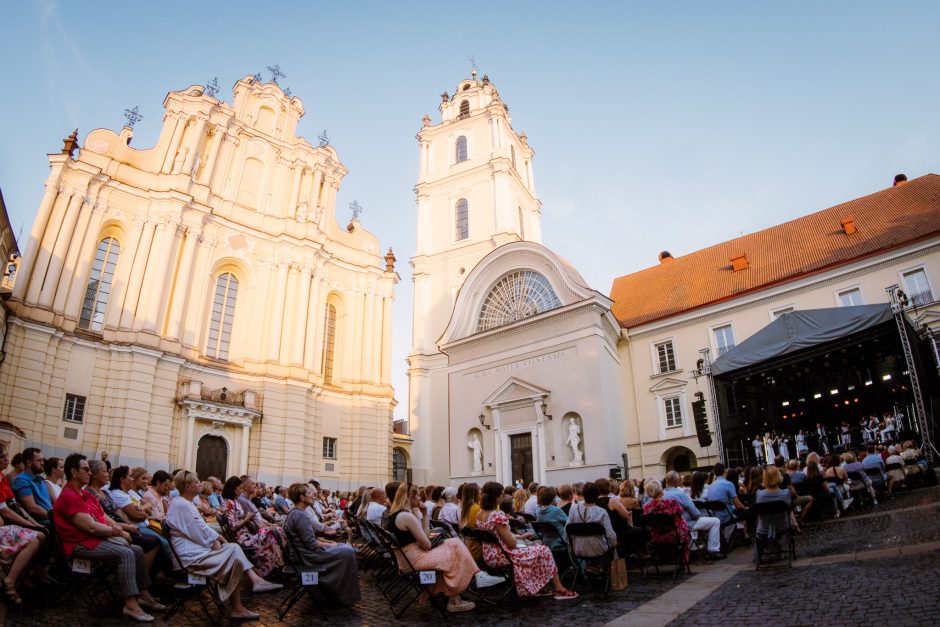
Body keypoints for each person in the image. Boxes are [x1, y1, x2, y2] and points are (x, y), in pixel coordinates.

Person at [54, 453, 164, 622]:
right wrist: (119, 532)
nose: (89, 473)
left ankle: (143, 593)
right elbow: (90, 527)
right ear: (74, 472)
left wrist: (119, 527)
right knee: (126, 553)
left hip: (93, 539)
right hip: (79, 544)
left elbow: (104, 516)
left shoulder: (85, 494)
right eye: (85, 470)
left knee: (137, 550)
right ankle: (130, 604)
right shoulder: (70, 495)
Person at [167, 470, 281, 620]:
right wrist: (217, 540)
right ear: (187, 486)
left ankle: (245, 597)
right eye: (196, 482)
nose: (199, 484)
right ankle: (242, 600)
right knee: (234, 551)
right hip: (194, 556)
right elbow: (199, 533)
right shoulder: (183, 505)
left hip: (197, 550)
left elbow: (201, 530)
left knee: (234, 550)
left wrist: (218, 538)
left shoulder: (184, 504)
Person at [386, 483, 489, 612]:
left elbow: (425, 535)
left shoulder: (399, 514)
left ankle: (473, 581)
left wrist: (423, 515)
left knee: (453, 543)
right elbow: (427, 544)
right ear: (409, 497)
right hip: (414, 560)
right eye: (417, 495)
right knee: (453, 552)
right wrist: (419, 516)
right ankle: (456, 598)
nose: (420, 498)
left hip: (408, 558)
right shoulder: (406, 517)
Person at [478, 481, 577, 599]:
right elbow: (511, 543)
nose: (503, 497)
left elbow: (499, 536)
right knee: (544, 550)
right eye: (502, 494)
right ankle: (558, 588)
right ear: (497, 496)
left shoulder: (480, 514)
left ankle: (538, 586)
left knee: (537, 549)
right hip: (503, 555)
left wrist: (519, 537)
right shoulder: (496, 515)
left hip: (490, 554)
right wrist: (518, 540)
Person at [284, 483, 360, 605]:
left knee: (344, 548)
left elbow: (309, 539)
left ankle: (338, 591)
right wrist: (330, 545)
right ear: (302, 497)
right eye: (309, 494)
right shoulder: (300, 515)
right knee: (347, 551)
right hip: (307, 556)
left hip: (305, 553)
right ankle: (338, 593)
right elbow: (311, 544)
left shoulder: (296, 513)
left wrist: (326, 542)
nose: (313, 496)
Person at [221, 476, 284, 577]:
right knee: (274, 532)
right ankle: (275, 565)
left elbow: (239, 517)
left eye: (242, 488)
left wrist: (245, 517)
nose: (241, 491)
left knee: (275, 532)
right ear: (233, 488)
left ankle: (274, 566)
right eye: (240, 488)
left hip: (246, 533)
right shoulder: (229, 503)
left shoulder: (235, 501)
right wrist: (247, 518)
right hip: (242, 537)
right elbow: (232, 526)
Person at [662, 471, 723, 559]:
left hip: (668, 526)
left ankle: (693, 549)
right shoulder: (680, 494)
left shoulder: (662, 494)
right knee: (715, 521)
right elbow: (695, 513)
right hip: (683, 524)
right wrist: (697, 516)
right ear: (676, 481)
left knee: (694, 521)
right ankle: (713, 550)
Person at [643, 479, 690, 564]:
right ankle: (683, 560)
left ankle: (664, 557)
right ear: (661, 489)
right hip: (674, 536)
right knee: (683, 524)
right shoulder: (671, 502)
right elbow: (680, 513)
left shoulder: (646, 507)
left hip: (656, 538)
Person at [566, 481, 617, 558]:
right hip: (598, 549)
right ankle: (611, 568)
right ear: (597, 495)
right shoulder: (601, 512)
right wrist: (614, 542)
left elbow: (566, 531)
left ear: (583, 494)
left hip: (578, 549)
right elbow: (610, 535)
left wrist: (572, 545)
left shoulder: (574, 509)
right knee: (614, 545)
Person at [12, 448, 52, 526]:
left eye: (42, 460)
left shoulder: (40, 479)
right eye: (39, 460)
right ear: (29, 463)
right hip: (40, 525)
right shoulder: (21, 481)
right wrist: (56, 517)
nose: (43, 463)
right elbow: (32, 508)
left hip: (52, 521)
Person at [534, 486, 567, 552]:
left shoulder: (538, 511)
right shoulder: (556, 510)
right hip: (560, 543)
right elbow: (568, 522)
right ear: (553, 499)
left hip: (546, 542)